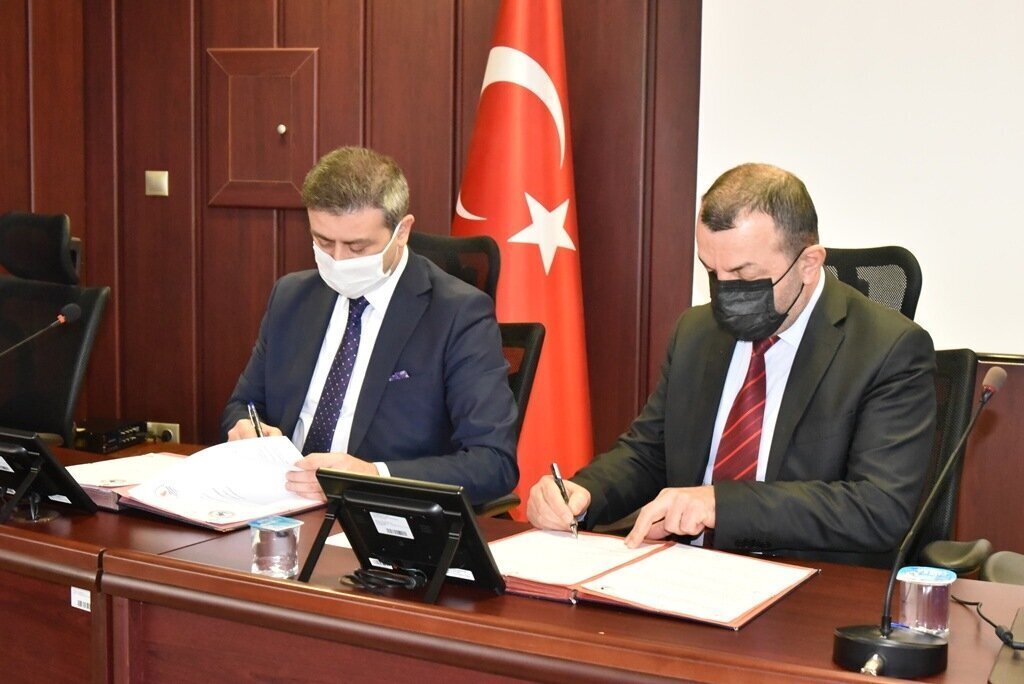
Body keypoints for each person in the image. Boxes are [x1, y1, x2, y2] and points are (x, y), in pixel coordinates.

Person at [527, 163, 936, 565]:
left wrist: (720, 505)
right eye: (712, 272)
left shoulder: (888, 349)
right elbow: (649, 452)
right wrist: (583, 493)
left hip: (807, 580)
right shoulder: (697, 332)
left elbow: (877, 507)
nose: (725, 295)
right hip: (684, 569)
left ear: (809, 264)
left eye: (744, 276)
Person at [222, 146, 518, 506]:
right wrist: (246, 429)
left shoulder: (458, 315)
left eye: (357, 247)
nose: (338, 260)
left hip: (377, 514)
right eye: (323, 241)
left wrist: (372, 476)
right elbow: (244, 404)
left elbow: (492, 462)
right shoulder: (292, 297)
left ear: (402, 231)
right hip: (279, 503)